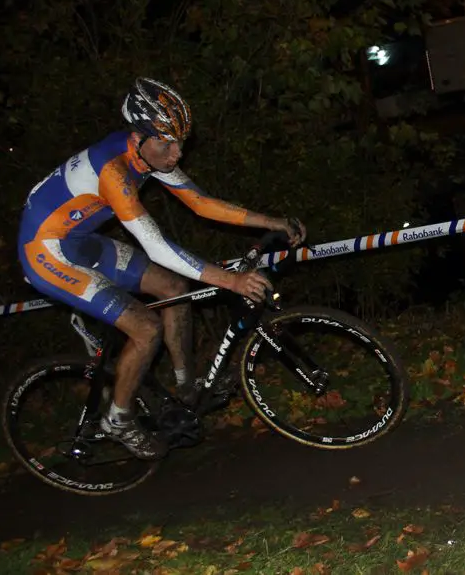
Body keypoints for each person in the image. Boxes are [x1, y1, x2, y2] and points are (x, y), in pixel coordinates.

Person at [18, 78, 306, 459]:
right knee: (145, 327)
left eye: (180, 143)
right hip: (47, 254)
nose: (176, 154)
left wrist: (272, 222)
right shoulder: (115, 170)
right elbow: (155, 245)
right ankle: (117, 420)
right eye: (167, 143)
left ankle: (187, 387)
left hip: (80, 241)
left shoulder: (145, 154)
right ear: (139, 136)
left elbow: (202, 204)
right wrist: (231, 281)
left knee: (174, 288)